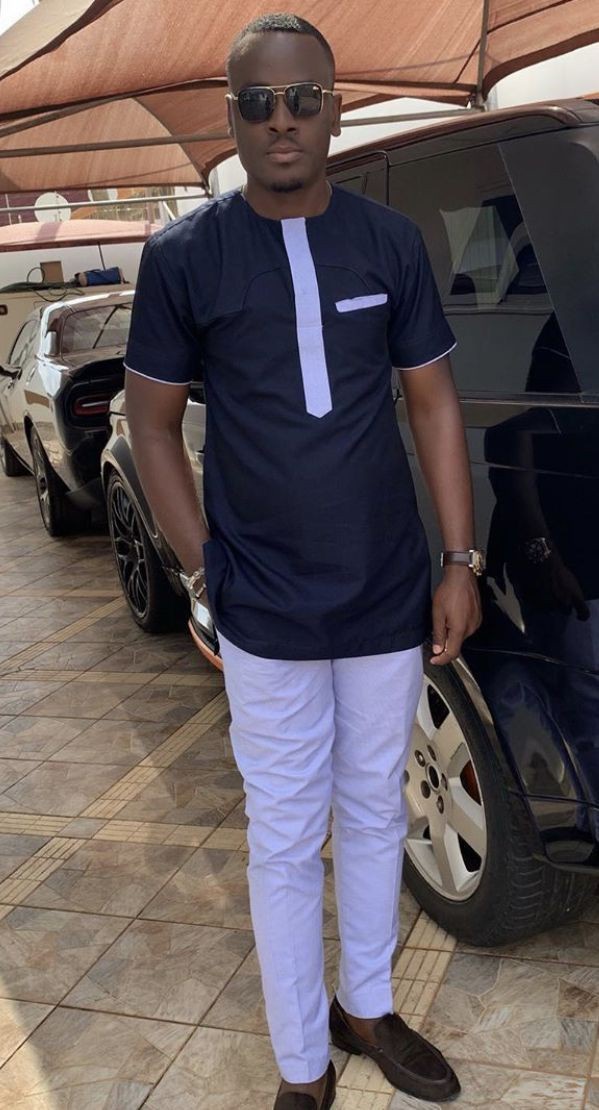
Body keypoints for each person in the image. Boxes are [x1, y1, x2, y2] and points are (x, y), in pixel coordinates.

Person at [124, 14, 482, 1109]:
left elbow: (431, 403)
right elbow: (150, 428)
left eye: (301, 99)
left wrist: (457, 559)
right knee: (284, 834)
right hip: (262, 601)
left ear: (334, 107)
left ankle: (366, 1007)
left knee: (375, 807)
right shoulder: (184, 257)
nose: (280, 121)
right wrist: (205, 571)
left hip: (383, 587)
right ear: (231, 116)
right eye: (256, 102)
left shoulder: (388, 242)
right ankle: (299, 1064)